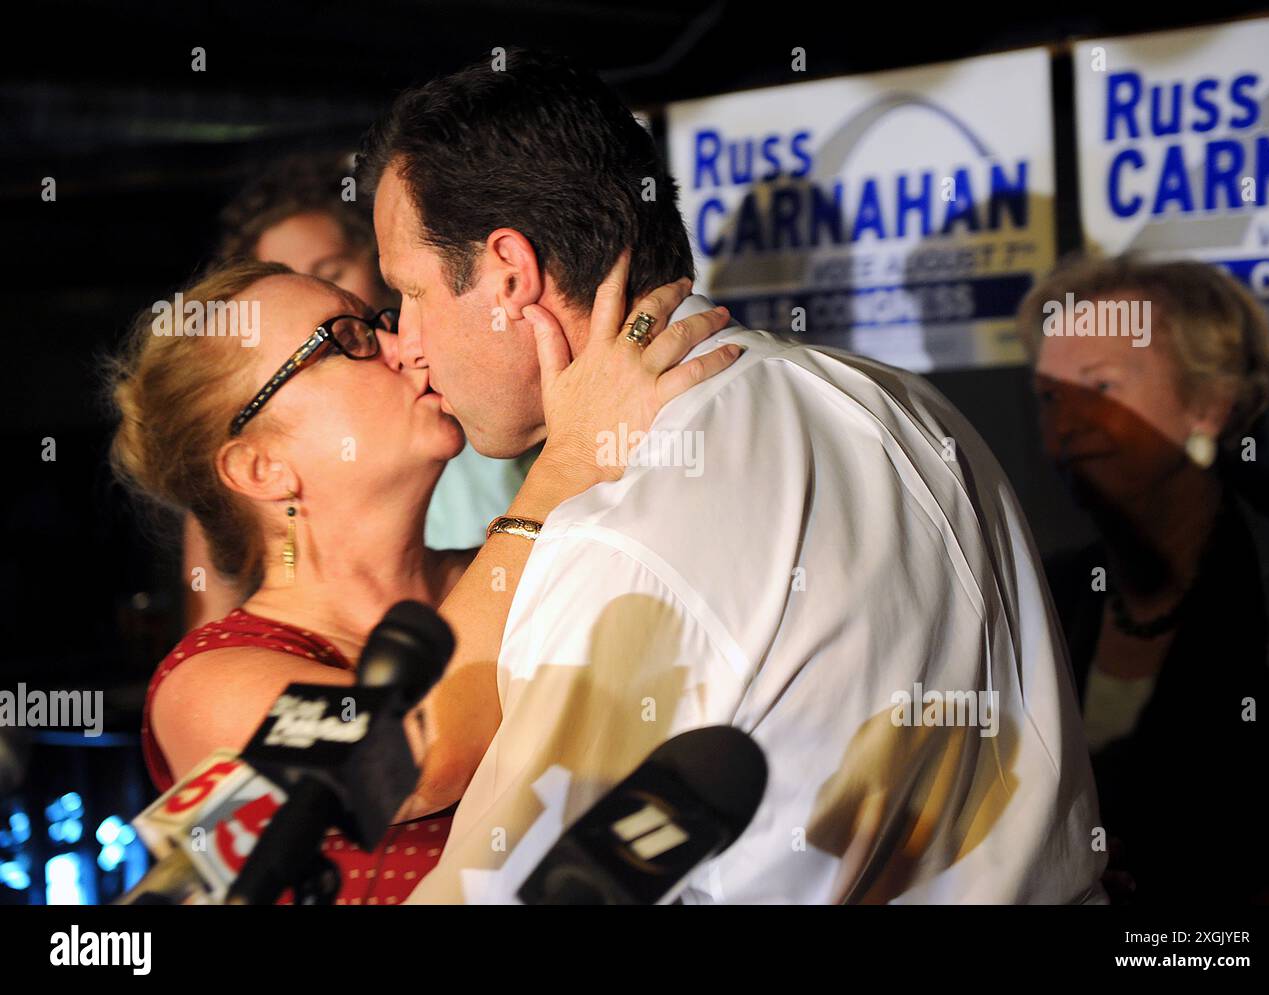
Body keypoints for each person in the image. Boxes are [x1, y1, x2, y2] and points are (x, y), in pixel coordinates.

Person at [359, 48, 1107, 904]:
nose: (406, 341)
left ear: (509, 274)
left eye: (410, 291)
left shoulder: (617, 532)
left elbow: (502, 887)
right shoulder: (905, 404)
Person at [106, 254, 738, 903]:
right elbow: (419, 758)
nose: (407, 344)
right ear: (260, 466)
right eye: (346, 339)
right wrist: (572, 457)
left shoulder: (539, 562)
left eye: (380, 318)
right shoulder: (201, 688)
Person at [1020, 254, 1269, 903]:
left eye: (1102, 387)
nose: (1066, 423)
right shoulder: (1042, 594)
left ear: (1206, 404)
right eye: (1050, 396)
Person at [184, 154, 537, 629]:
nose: (399, 348)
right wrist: (570, 468)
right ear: (258, 468)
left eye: (329, 270)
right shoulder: (223, 679)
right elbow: (433, 705)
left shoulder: (482, 391)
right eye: (334, 344)